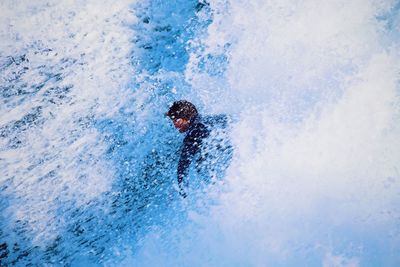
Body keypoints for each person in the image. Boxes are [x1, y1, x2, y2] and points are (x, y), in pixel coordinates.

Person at [166, 100, 209, 198]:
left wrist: (183, 190)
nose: (175, 125)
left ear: (186, 118)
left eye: (176, 120)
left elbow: (182, 166)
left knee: (200, 165)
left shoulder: (195, 133)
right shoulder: (205, 120)